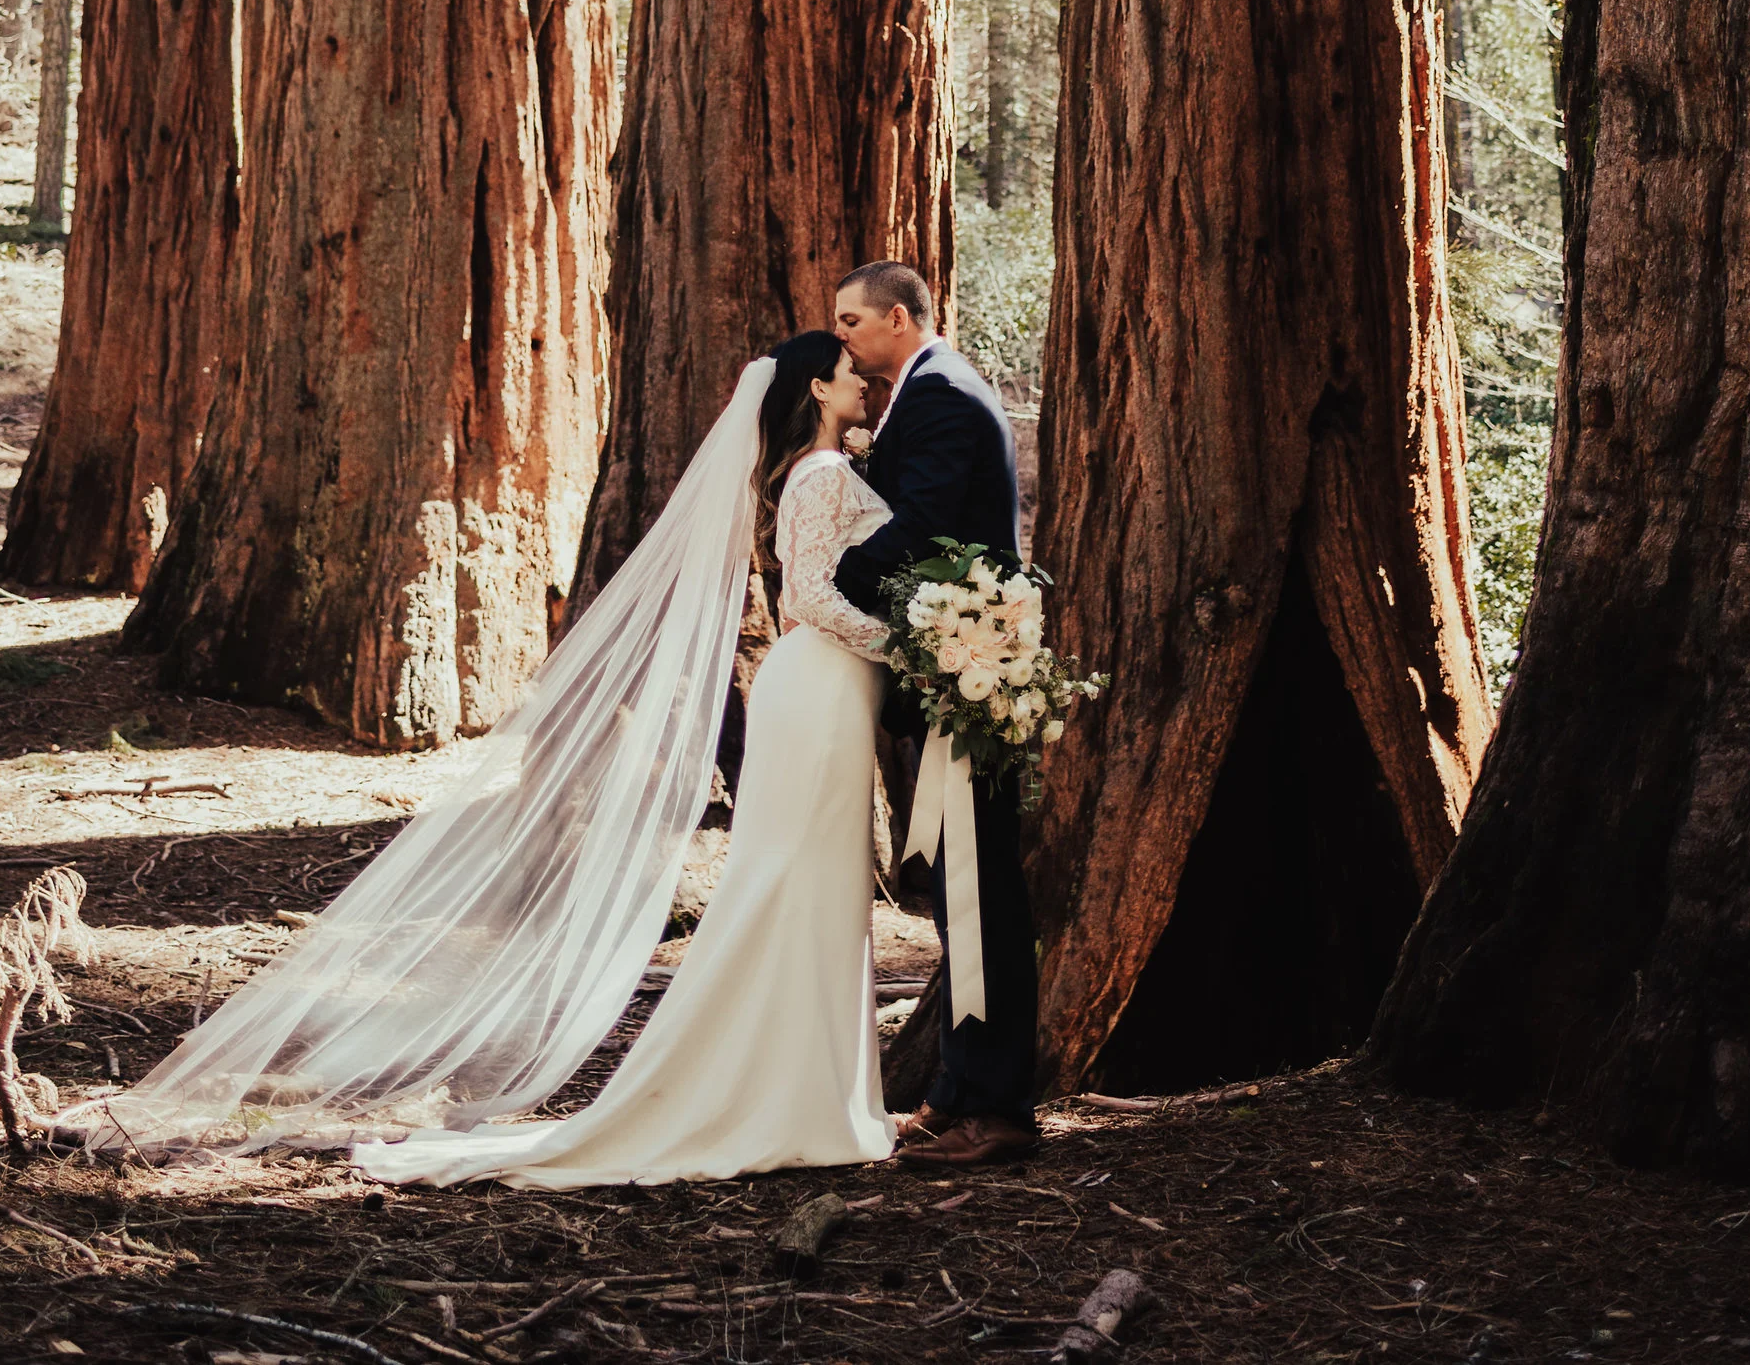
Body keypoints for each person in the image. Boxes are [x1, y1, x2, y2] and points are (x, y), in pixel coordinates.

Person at [77, 335, 907, 1185]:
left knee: (814, 885)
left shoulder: (821, 470)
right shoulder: (820, 475)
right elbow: (809, 597)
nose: (867, 382)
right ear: (817, 387)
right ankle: (783, 1094)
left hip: (824, 688)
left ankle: (810, 1091)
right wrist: (909, 644)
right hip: (820, 687)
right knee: (796, 884)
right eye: (852, 370)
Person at [833, 259, 1039, 1168]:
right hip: (952, 673)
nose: (842, 337)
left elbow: (921, 527)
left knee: (982, 897)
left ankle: (998, 1110)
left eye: (851, 320)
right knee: (962, 897)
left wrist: (832, 579)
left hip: (968, 677)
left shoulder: (943, 396)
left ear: (899, 318)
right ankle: (957, 1093)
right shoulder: (924, 392)